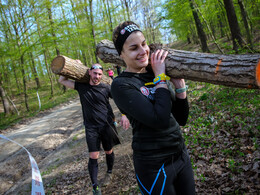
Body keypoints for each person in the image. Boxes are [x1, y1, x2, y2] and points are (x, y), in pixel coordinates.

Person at [111, 21, 195, 194]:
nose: (143, 51)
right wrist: (160, 78)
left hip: (180, 154)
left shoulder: (153, 72)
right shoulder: (121, 85)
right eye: (134, 48)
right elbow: (160, 120)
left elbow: (181, 118)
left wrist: (180, 88)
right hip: (154, 166)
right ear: (121, 54)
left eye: (144, 44)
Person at [59, 63, 130, 195]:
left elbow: (119, 100)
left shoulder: (105, 87)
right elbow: (61, 80)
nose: (97, 76)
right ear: (89, 73)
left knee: (109, 151)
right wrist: (71, 65)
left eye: (99, 74)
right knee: (93, 156)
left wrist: (124, 115)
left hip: (107, 125)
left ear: (101, 76)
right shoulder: (81, 87)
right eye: (95, 73)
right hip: (91, 127)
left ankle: (109, 172)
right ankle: (95, 186)